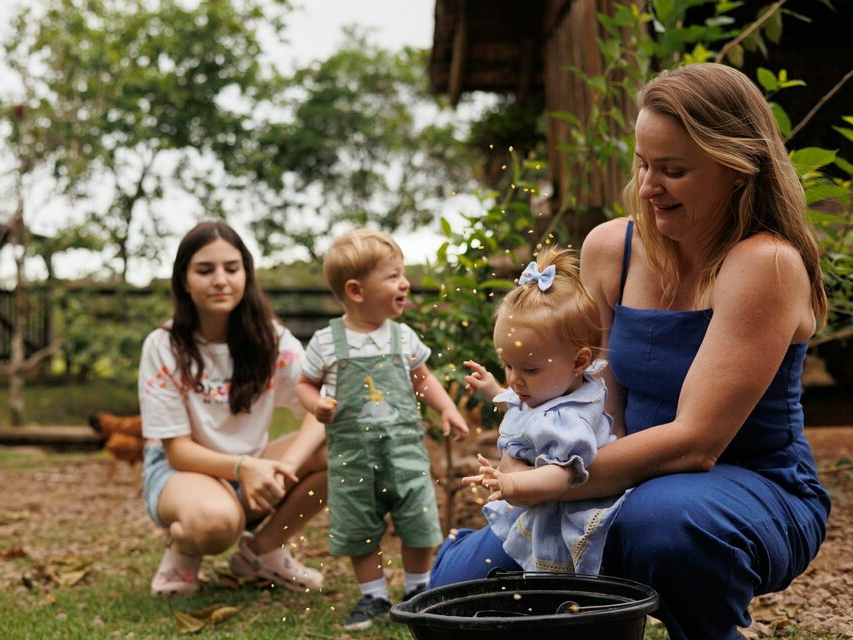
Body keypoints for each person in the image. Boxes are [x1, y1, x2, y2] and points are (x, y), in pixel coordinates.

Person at [429, 62, 831, 640]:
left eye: (673, 170)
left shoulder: (764, 264)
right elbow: (593, 398)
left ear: (737, 170)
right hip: (610, 471)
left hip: (745, 485)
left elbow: (696, 442)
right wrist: (530, 457)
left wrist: (546, 483)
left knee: (661, 522)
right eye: (643, 164)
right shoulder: (610, 248)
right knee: (464, 589)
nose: (647, 187)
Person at [138, 220, 327, 597]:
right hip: (182, 471)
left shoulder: (272, 340)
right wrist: (246, 468)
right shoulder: (164, 345)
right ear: (184, 281)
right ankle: (184, 547)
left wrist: (283, 470)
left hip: (253, 468)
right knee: (215, 524)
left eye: (232, 268)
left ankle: (263, 552)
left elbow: (320, 409)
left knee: (345, 446)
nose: (220, 280)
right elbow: (176, 449)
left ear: (246, 274)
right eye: (205, 270)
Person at [296, 228, 469, 630]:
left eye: (402, 273)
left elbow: (423, 379)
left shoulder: (402, 337)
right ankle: (372, 595)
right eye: (392, 276)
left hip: (405, 452)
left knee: (419, 521)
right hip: (352, 458)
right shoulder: (326, 342)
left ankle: (417, 590)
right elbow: (304, 384)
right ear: (356, 291)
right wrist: (316, 404)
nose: (405, 282)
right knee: (359, 527)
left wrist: (446, 409)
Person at [461, 246, 626, 576]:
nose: (515, 379)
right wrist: (494, 389)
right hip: (541, 504)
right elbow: (524, 404)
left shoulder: (567, 420)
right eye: (507, 364)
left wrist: (510, 486)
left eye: (529, 369)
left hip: (563, 517)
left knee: (551, 585)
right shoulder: (558, 387)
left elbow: (560, 476)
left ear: (579, 361)